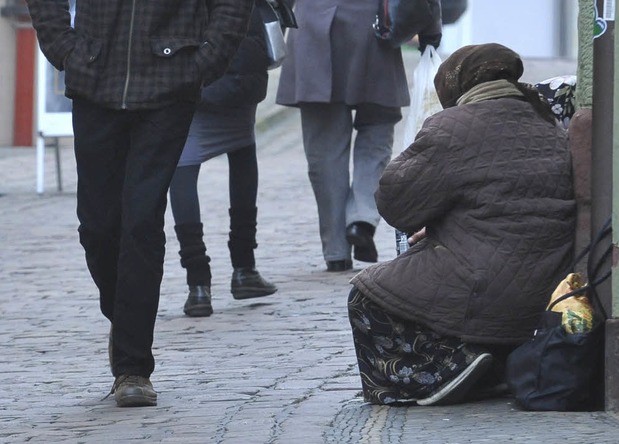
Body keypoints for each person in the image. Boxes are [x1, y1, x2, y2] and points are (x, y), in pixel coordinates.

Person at [26, 0, 253, 407]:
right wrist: (65, 49)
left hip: (169, 81)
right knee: (97, 227)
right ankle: (125, 318)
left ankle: (133, 367)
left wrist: (203, 61)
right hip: (96, 77)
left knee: (142, 221)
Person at [347, 43, 576, 406]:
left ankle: (441, 372)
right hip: (549, 286)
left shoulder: (450, 126)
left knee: (368, 295)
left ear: (456, 88)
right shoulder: (545, 121)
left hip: (483, 282)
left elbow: (396, 206)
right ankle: (494, 363)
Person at [275, 0, 442, 272]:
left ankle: (336, 250)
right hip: (372, 29)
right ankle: (362, 217)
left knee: (325, 148)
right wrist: (430, 27)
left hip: (314, 27)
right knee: (376, 133)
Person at [170, 0, 279, 318]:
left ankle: (198, 283)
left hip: (186, 50)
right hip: (240, 47)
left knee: (184, 166)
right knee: (243, 150)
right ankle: (244, 269)